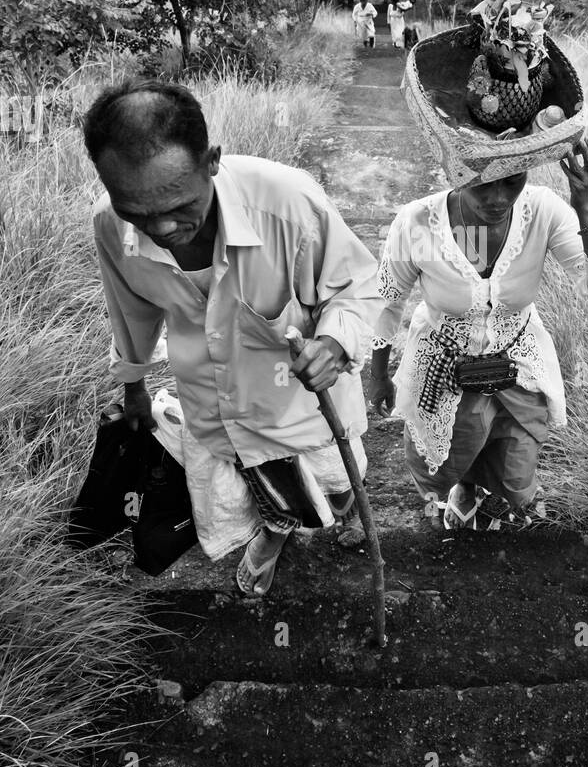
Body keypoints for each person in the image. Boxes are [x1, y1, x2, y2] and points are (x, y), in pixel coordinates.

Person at [82, 79, 384, 595]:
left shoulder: (288, 202)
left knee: (329, 491)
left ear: (212, 161)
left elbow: (356, 285)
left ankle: (302, 519)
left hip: (299, 404)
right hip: (211, 402)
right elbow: (129, 312)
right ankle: (273, 532)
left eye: (179, 205)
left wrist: (333, 344)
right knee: (258, 488)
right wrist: (133, 387)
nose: (161, 228)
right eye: (136, 210)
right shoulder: (112, 227)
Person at [369, 138, 588, 529]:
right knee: (452, 454)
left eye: (512, 181)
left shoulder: (541, 211)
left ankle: (491, 490)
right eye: (483, 183)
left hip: (517, 361)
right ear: (455, 170)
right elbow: (388, 301)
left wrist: (584, 205)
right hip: (444, 365)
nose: (498, 198)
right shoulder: (419, 223)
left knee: (515, 467)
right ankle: (466, 488)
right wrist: (378, 375)